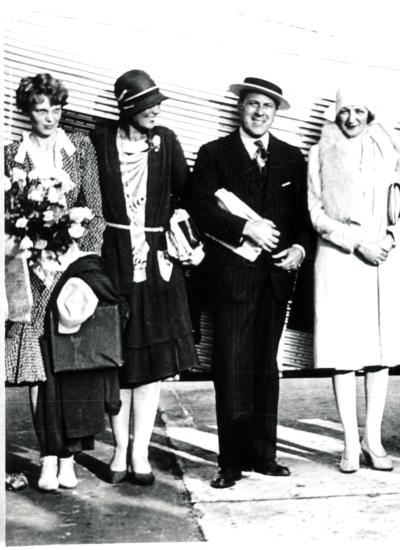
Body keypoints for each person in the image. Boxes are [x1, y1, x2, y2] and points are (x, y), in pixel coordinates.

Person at [185, 77, 313, 489]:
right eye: (253, 104)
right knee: (231, 366)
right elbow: (199, 208)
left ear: (276, 113)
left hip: (275, 278)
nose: (260, 112)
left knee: (265, 366)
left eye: (268, 107)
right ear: (240, 107)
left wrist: (299, 250)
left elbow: (304, 219)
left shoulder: (293, 158)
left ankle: (264, 455)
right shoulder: (214, 154)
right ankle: (231, 462)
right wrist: (245, 228)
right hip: (232, 278)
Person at [91, 69, 199, 485]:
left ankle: (140, 454)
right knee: (118, 359)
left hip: (156, 265)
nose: (155, 110)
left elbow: (185, 194)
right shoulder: (100, 143)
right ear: (126, 107)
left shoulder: (167, 141)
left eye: (157, 103)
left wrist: (178, 228)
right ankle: (119, 451)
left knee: (151, 364)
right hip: (112, 260)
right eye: (146, 103)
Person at [4, 73, 110, 491]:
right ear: (27, 112)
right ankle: (48, 456)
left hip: (70, 270)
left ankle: (69, 456)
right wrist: (25, 248)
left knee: (72, 366)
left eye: (56, 108)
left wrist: (77, 256)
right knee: (39, 368)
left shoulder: (80, 148)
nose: (50, 116)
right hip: (28, 274)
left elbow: (96, 211)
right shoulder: (11, 154)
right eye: (41, 109)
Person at [307, 87, 400, 473]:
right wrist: (358, 243)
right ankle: (350, 445)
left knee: (379, 350)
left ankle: (374, 439)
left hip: (384, 258)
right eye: (344, 111)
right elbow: (316, 214)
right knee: (344, 352)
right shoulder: (320, 152)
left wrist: (389, 238)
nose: (351, 118)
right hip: (341, 257)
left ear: (370, 112)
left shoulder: (388, 150)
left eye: (359, 110)